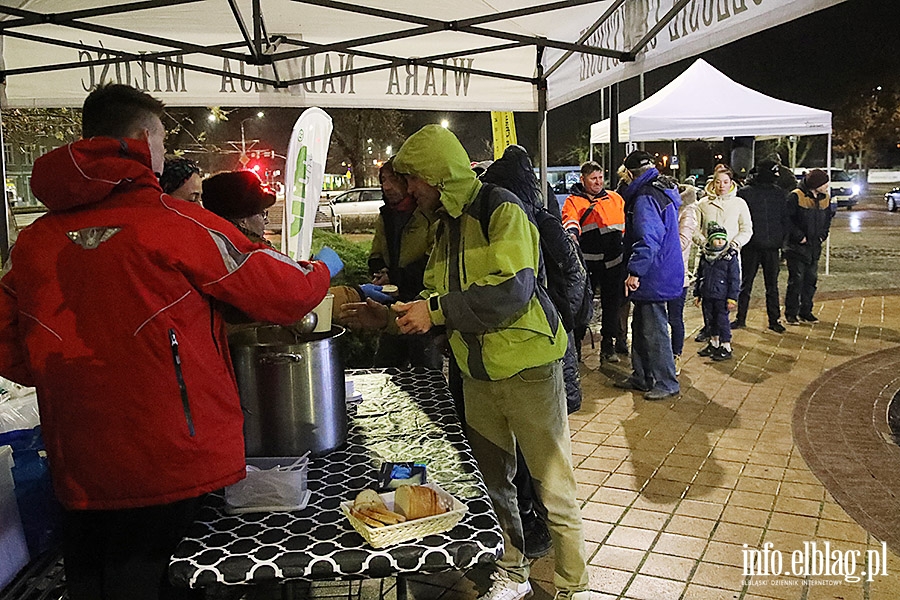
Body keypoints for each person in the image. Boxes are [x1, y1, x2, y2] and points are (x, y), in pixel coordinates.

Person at [0, 84, 332, 600]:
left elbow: (8, 340)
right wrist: (321, 269)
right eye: (160, 141)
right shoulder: (176, 224)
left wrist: (66, 378)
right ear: (141, 138)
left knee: (95, 583)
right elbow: (283, 292)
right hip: (172, 459)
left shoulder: (34, 240)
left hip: (80, 461)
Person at [347, 125, 589, 600]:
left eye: (413, 179)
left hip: (529, 371)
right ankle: (513, 572)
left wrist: (434, 310)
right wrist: (387, 318)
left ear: (437, 174)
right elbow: (433, 299)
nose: (409, 190)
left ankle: (574, 586)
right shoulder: (445, 224)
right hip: (476, 374)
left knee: (553, 489)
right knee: (494, 486)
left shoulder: (501, 208)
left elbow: (513, 290)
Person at [614, 151, 683, 400]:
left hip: (654, 273)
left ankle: (666, 381)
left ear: (630, 173)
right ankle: (642, 376)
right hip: (662, 268)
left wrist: (635, 271)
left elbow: (649, 238)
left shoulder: (644, 197)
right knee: (642, 325)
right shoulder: (660, 190)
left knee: (654, 330)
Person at [368, 158, 441, 369]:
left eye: (393, 179)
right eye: (383, 180)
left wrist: (395, 277)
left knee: (426, 373)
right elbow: (376, 252)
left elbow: (432, 262)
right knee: (385, 370)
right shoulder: (386, 215)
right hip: (392, 305)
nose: (387, 186)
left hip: (422, 305)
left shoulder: (429, 215)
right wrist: (379, 271)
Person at [562, 161, 626, 362]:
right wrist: (572, 234)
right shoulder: (573, 202)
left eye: (600, 178)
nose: (598, 182)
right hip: (588, 264)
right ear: (583, 179)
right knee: (582, 305)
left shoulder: (615, 198)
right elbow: (570, 221)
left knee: (612, 305)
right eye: (593, 179)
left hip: (613, 263)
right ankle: (577, 345)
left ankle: (608, 345)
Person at [692, 164, 752, 343]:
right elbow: (694, 228)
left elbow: (746, 229)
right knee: (707, 297)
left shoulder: (739, 203)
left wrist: (735, 244)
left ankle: (722, 338)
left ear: (731, 182)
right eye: (718, 182)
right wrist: (704, 243)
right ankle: (710, 331)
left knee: (724, 299)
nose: (721, 186)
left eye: (725, 182)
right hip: (708, 257)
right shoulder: (703, 204)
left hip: (728, 257)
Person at [734, 159, 788, 333]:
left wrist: (781, 240)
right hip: (753, 245)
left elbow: (784, 219)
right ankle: (741, 317)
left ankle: (773, 319)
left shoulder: (778, 193)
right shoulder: (746, 193)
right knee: (748, 284)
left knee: (769, 285)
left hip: (769, 246)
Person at [783, 168, 832, 325]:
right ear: (816, 184)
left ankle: (806, 311)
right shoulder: (796, 196)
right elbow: (787, 220)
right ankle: (791, 313)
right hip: (796, 247)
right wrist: (799, 237)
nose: (827, 186)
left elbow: (827, 220)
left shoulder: (825, 198)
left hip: (814, 246)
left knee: (811, 280)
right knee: (796, 280)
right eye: (824, 183)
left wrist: (822, 235)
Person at [694, 222, 741, 361]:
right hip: (707, 294)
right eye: (716, 238)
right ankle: (714, 343)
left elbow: (734, 279)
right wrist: (697, 293)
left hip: (722, 296)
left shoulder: (729, 257)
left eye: (722, 238)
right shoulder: (705, 256)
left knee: (722, 321)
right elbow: (700, 275)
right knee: (710, 320)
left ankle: (726, 345)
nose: (720, 241)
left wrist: (732, 297)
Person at [670, 181, 700, 375]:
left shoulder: (687, 212)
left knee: (674, 318)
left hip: (677, 275)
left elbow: (682, 242)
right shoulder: (664, 208)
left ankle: (676, 355)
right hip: (660, 274)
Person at [202, 169, 276, 246]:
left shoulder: (213, 245)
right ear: (242, 222)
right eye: (263, 214)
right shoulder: (254, 251)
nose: (267, 221)